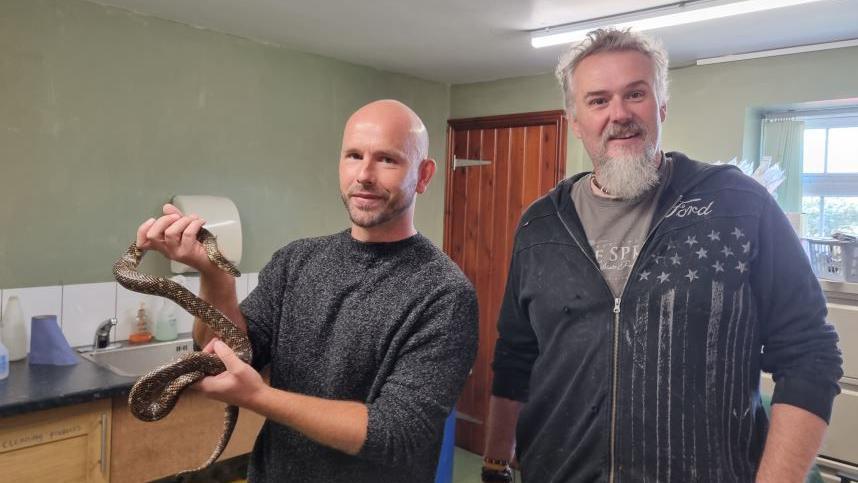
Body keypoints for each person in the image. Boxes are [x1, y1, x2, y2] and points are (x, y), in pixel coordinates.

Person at [481, 29, 843, 482]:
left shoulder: (737, 205)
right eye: (597, 100)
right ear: (575, 121)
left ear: (662, 106)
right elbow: (517, 355)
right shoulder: (540, 225)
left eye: (636, 93)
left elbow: (811, 354)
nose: (619, 114)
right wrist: (496, 461)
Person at [135, 99, 478, 482]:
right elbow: (223, 356)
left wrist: (260, 397)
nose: (364, 174)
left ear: (424, 174)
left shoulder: (444, 294)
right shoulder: (297, 261)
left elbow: (395, 433)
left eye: (387, 160)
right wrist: (215, 275)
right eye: (353, 155)